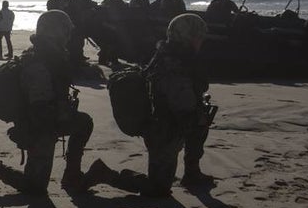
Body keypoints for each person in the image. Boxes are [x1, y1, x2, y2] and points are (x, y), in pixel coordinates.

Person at [84, 13, 215, 197]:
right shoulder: (173, 64)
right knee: (158, 189)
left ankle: (192, 173)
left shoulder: (175, 57)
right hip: (163, 132)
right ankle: (105, 174)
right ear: (187, 38)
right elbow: (181, 103)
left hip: (170, 126)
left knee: (200, 122)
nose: (200, 42)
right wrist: (196, 116)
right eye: (197, 37)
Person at [0, 10, 93, 195]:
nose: (68, 36)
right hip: (37, 126)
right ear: (55, 32)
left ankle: (72, 175)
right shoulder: (39, 62)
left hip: (47, 121)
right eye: (65, 31)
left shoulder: (52, 56)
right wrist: (54, 122)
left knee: (84, 123)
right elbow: (39, 106)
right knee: (35, 188)